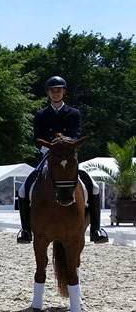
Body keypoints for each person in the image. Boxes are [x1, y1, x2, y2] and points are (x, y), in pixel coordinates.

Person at [16, 76, 108, 244]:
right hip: (48, 154)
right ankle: (25, 230)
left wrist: (66, 145)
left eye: (59, 90)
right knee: (23, 189)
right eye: (53, 90)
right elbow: (37, 137)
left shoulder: (73, 113)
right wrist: (47, 147)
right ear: (48, 93)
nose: (56, 93)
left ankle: (96, 230)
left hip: (68, 154)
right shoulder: (41, 114)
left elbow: (76, 134)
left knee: (93, 187)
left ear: (64, 92)